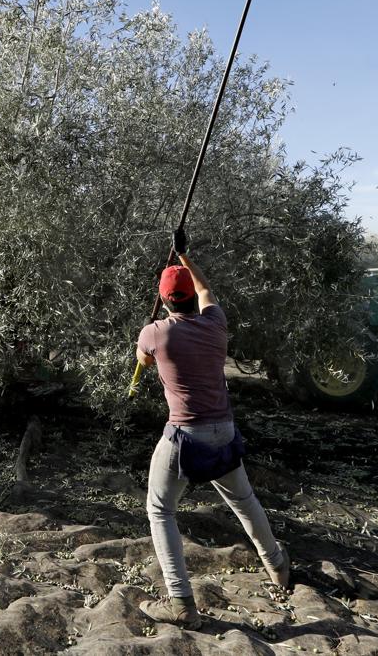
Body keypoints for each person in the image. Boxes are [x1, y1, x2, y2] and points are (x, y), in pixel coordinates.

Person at [134, 229, 289, 629]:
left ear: (166, 299)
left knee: (160, 510)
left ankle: (182, 603)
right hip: (224, 431)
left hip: (185, 438)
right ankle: (278, 566)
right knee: (245, 501)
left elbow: (143, 360)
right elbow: (206, 290)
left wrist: (149, 331)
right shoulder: (216, 323)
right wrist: (185, 257)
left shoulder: (155, 333)